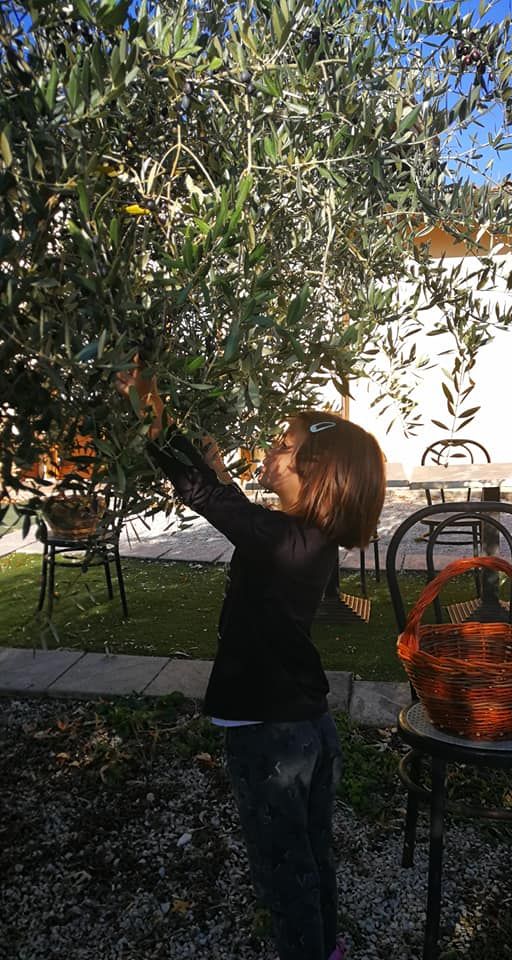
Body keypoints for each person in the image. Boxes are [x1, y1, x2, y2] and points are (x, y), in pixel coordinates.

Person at [116, 362, 386, 960]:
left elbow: (206, 499)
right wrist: (214, 472)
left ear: (314, 471)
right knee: (310, 854)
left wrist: (151, 415)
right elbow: (242, 517)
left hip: (272, 735)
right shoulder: (301, 537)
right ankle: (326, 948)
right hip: (305, 725)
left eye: (284, 446)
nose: (270, 450)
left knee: (283, 872)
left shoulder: (285, 540)